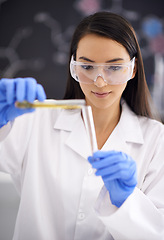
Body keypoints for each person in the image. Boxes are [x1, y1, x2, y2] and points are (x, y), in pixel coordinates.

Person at [0, 11, 164, 240]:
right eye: (87, 67)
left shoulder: (156, 139)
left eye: (114, 67)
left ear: (133, 69)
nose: (99, 81)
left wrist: (126, 200)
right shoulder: (35, 117)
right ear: (74, 68)